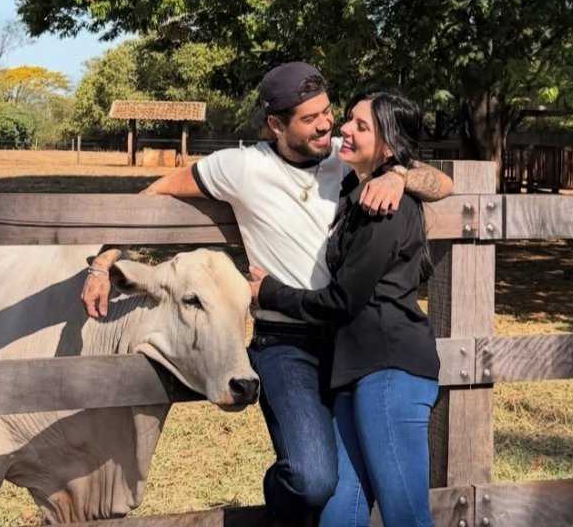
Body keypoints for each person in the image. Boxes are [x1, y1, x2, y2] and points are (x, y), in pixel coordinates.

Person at [81, 63, 453, 526]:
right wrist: (103, 260)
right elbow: (156, 191)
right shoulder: (240, 167)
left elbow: (443, 183)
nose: (326, 126)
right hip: (287, 343)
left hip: (347, 342)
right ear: (276, 124)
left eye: (328, 112)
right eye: (309, 118)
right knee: (314, 478)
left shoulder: (348, 155)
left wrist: (398, 176)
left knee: (347, 490)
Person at [248, 91, 440, 527]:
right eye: (348, 120)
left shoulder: (385, 209)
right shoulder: (357, 191)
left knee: (405, 516)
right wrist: (396, 173)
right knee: (340, 517)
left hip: (390, 371)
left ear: (388, 146)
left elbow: (343, 301)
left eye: (360, 126)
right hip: (354, 374)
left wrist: (271, 293)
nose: (344, 131)